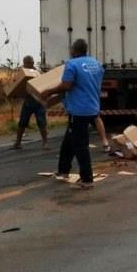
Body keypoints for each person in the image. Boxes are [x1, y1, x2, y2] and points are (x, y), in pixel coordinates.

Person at [43, 39, 103, 189]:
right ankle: (63, 170)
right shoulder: (96, 64)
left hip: (79, 110)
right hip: (92, 107)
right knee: (69, 140)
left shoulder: (72, 64)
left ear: (74, 51)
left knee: (80, 145)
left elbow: (66, 85)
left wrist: (49, 91)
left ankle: (87, 179)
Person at [12, 55, 49, 150]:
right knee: (22, 122)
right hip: (28, 101)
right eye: (25, 63)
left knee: (41, 122)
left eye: (29, 63)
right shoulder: (22, 74)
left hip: (39, 101)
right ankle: (18, 142)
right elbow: (16, 85)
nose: (27, 65)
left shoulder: (38, 73)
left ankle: (45, 142)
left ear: (32, 63)